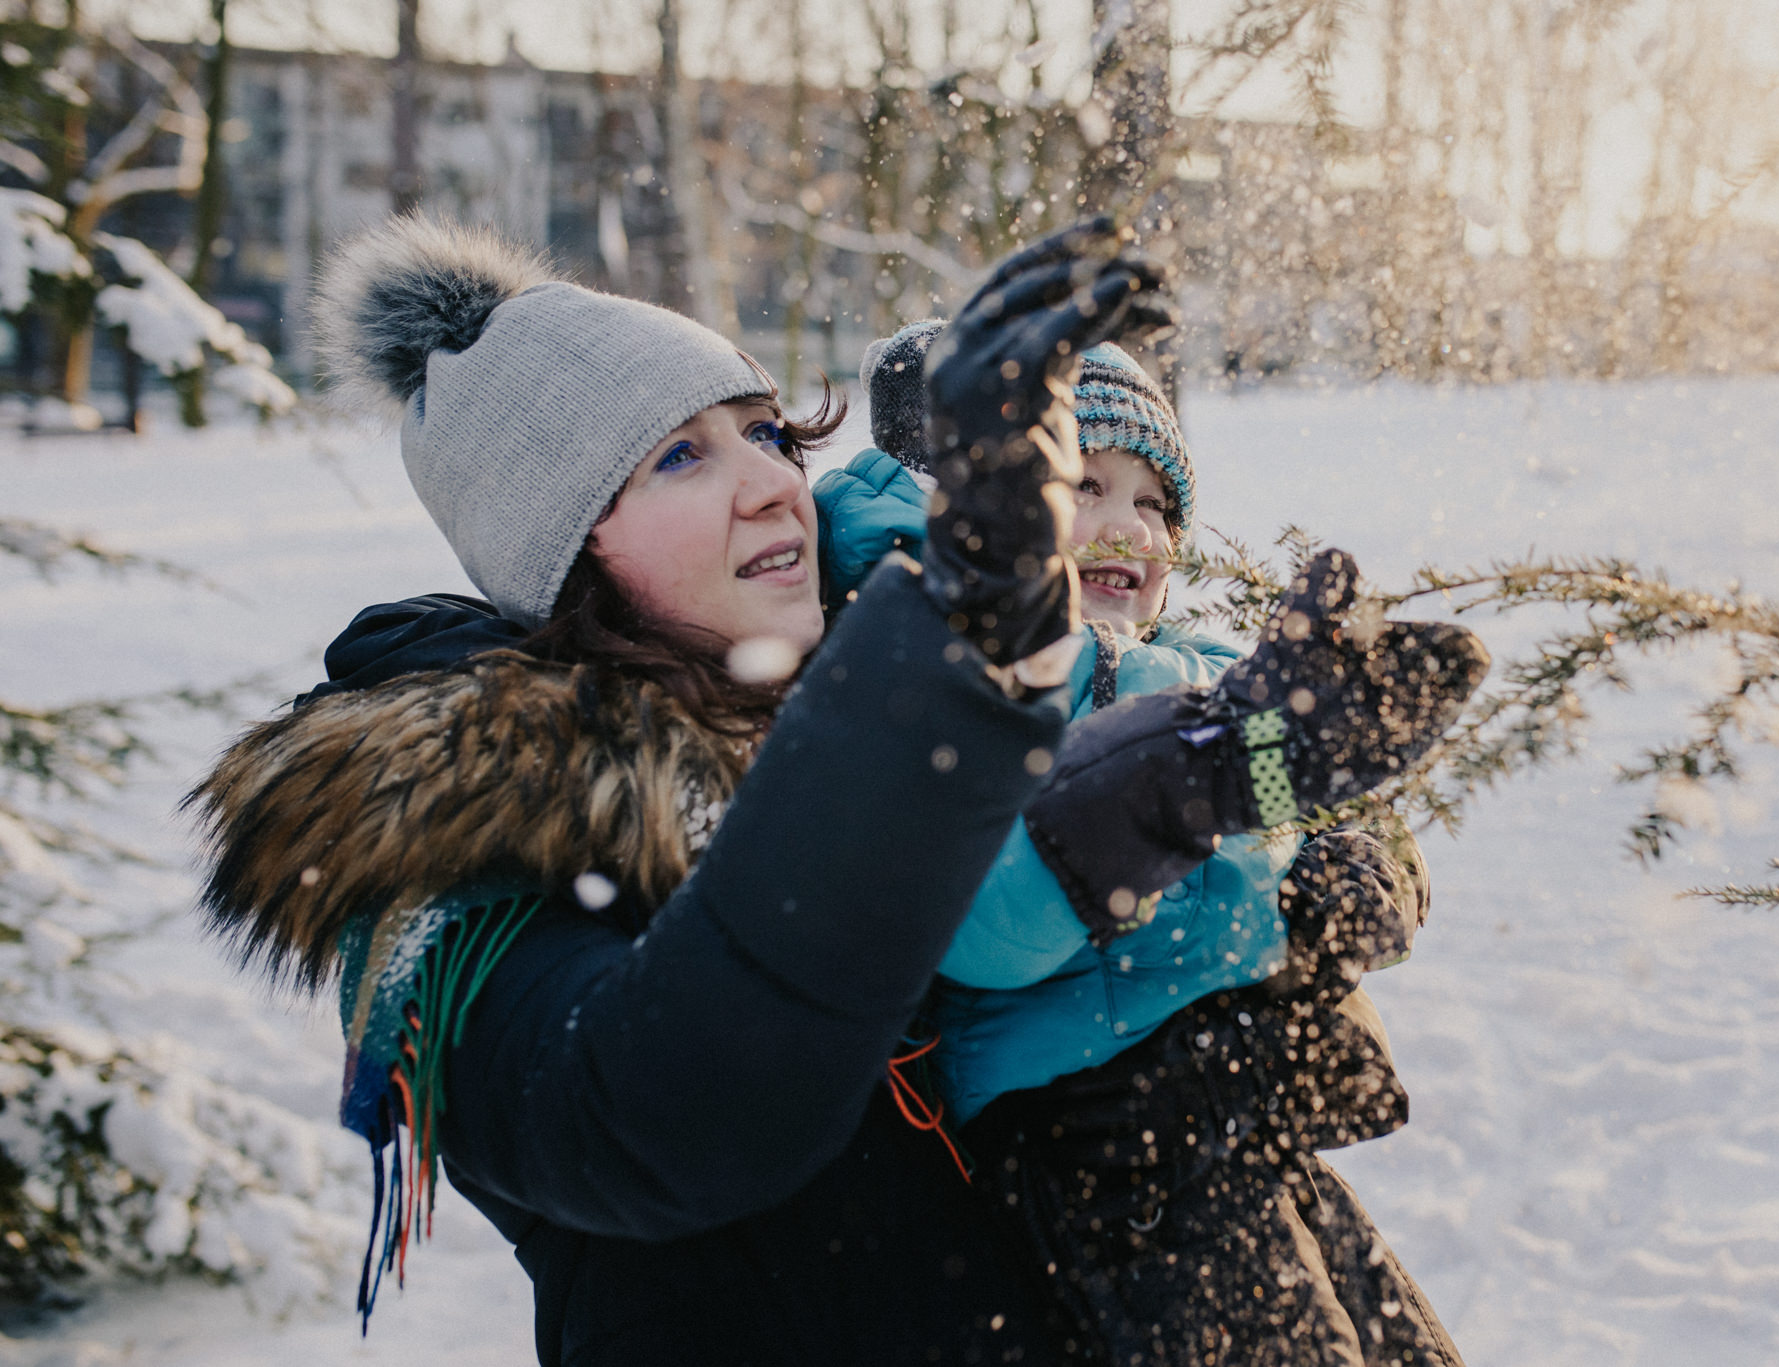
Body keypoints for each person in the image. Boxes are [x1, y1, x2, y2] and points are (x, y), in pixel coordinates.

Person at [186, 215, 1468, 1366]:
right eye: (676, 459)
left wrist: (1269, 828)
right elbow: (666, 1105)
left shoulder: (835, 676)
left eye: (759, 429)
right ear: (560, 544)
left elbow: (1108, 772)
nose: (767, 478)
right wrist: (1074, 741)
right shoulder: (448, 844)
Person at [817, 322, 1476, 1365]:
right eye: (1084, 486)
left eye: (1155, 501)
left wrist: (1360, 860)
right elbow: (982, 925)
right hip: (1102, 1144)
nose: (1129, 528)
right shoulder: (967, 669)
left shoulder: (1191, 660)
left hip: (1244, 1114)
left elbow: (1303, 797)